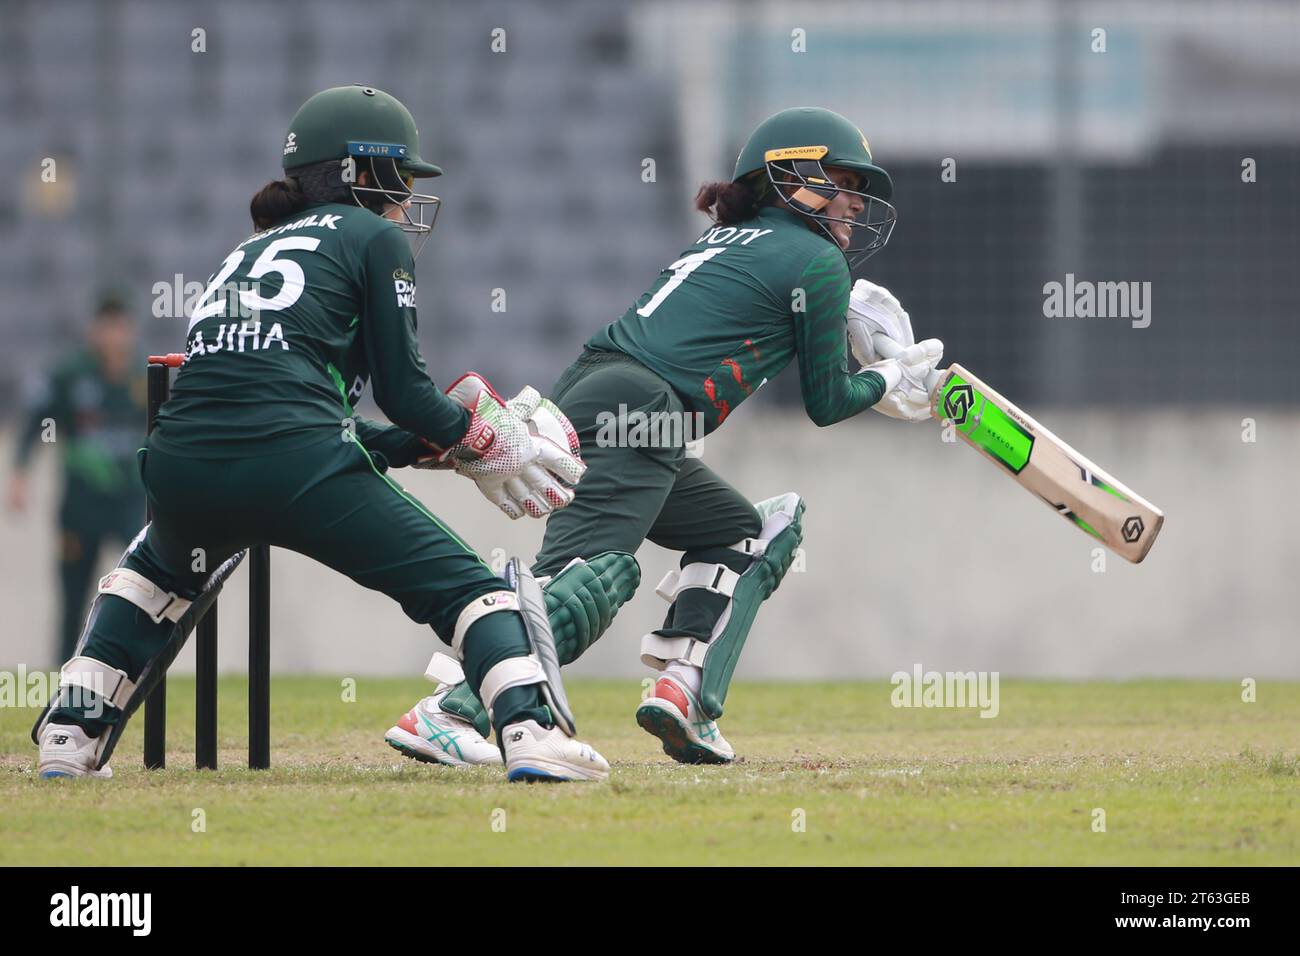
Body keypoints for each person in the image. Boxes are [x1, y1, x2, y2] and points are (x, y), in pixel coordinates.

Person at [32, 84, 610, 783]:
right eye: (399, 179)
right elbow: (403, 395)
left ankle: (69, 732)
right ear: (359, 172)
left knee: (152, 580)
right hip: (296, 464)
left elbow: (279, 403)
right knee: (469, 590)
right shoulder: (372, 236)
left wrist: (422, 446)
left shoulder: (245, 251)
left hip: (181, 459)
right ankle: (531, 732)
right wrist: (481, 438)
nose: (405, 201)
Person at [387, 106, 944, 766]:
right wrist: (888, 378)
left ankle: (682, 692)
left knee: (748, 530)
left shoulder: (725, 240)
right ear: (783, 175)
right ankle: (448, 710)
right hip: (644, 406)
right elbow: (828, 403)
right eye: (840, 181)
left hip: (615, 396)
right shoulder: (816, 259)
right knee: (592, 578)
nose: (853, 201)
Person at [9, 295, 147, 663]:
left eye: (122, 328)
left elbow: (167, 433)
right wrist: (21, 473)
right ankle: (64, 676)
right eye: (109, 328)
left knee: (139, 590)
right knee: (73, 597)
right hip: (81, 507)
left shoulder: (146, 377)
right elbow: (36, 422)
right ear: (95, 332)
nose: (116, 337)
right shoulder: (70, 376)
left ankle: (134, 671)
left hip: (129, 503)